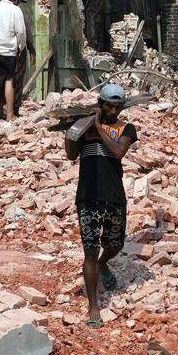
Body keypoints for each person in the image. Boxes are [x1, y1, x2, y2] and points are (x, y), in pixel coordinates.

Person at [64, 83, 137, 326]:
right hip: (88, 195)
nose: (113, 110)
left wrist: (98, 127)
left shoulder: (127, 129)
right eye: (109, 105)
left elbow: (117, 152)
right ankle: (94, 306)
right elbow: (71, 154)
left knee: (116, 244)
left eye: (117, 106)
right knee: (90, 250)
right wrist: (74, 132)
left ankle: (105, 263)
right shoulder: (86, 128)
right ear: (100, 104)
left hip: (114, 195)